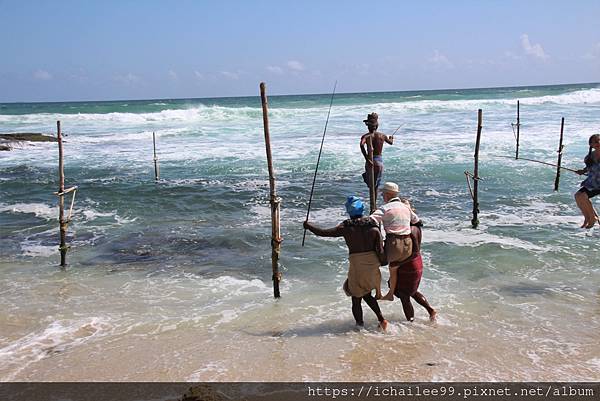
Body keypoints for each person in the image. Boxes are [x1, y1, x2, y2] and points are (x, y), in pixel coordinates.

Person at [303, 196, 388, 331]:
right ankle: (381, 319)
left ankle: (359, 326)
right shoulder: (374, 228)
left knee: (356, 298)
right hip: (372, 265)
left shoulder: (346, 228)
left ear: (349, 211)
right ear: (362, 209)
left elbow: (324, 233)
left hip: (357, 266)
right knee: (366, 293)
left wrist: (309, 227)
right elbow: (381, 252)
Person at [370, 182, 419, 301]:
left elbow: (371, 220)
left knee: (375, 262)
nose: (382, 197)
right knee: (394, 268)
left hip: (394, 244)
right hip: (408, 245)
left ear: (387, 195)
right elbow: (416, 220)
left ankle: (381, 292)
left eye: (383, 194)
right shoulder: (405, 207)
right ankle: (391, 292)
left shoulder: (385, 208)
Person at [391, 199, 436, 322]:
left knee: (405, 296)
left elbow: (414, 252)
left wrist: (397, 263)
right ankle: (431, 310)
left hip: (410, 264)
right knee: (411, 291)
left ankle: (410, 323)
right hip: (415, 263)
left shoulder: (410, 229)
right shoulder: (415, 226)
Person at [360, 113, 394, 194]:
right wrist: (391, 138)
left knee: (371, 184)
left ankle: (373, 203)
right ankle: (374, 204)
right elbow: (391, 142)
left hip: (371, 160)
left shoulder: (366, 136)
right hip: (379, 161)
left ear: (368, 125)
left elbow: (361, 145)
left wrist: (367, 158)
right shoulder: (382, 135)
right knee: (376, 186)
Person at [574, 134, 600, 229]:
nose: (598, 143)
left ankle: (593, 218)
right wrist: (582, 171)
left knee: (583, 196)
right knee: (577, 196)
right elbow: (588, 168)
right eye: (596, 142)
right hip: (593, 183)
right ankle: (588, 218)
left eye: (599, 141)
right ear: (591, 145)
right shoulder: (589, 157)